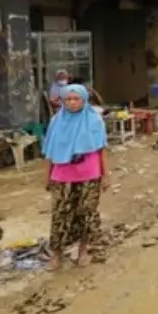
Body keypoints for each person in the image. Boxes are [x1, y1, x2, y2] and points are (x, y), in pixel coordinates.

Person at [42, 84, 109, 271]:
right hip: (62, 174)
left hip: (90, 173)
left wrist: (106, 176)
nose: (72, 103)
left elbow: (101, 149)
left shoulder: (94, 120)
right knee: (60, 213)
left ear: (84, 99)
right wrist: (47, 176)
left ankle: (83, 250)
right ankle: (56, 253)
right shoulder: (56, 121)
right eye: (68, 99)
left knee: (87, 212)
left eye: (76, 98)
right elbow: (50, 150)